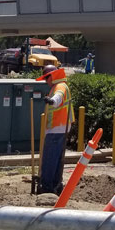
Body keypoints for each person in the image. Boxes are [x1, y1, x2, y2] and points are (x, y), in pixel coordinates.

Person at [38, 65, 73, 194]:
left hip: (56, 128)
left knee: (50, 159)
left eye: (46, 78)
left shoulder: (60, 87)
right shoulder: (60, 86)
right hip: (61, 127)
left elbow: (58, 98)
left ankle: (47, 187)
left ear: (52, 76)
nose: (45, 81)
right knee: (57, 159)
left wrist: (51, 101)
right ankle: (56, 185)